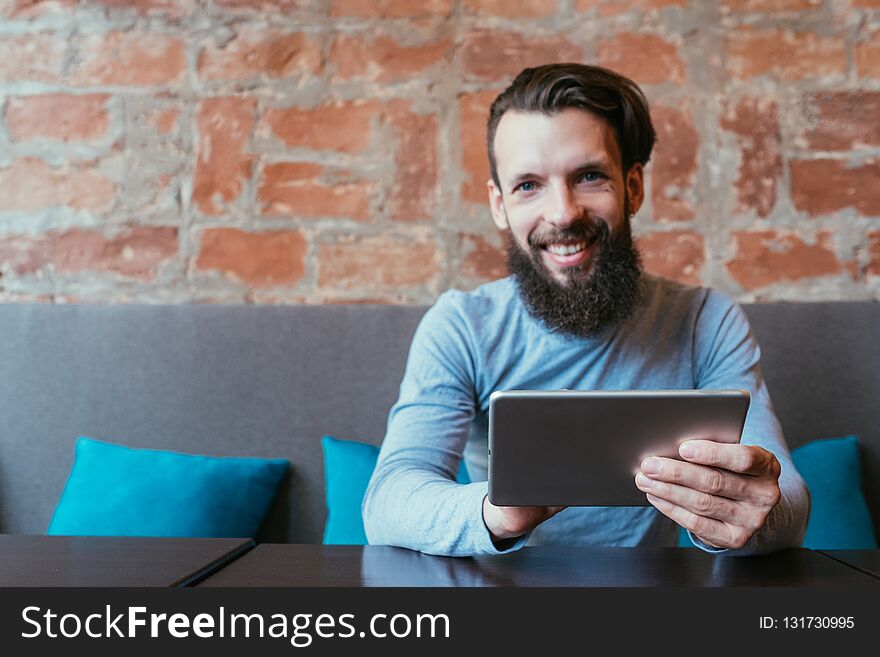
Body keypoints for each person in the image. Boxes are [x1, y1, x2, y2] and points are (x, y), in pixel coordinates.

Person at [362, 63, 809, 556]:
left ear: (633, 187)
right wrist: (497, 513)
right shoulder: (461, 327)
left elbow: (786, 498)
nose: (563, 212)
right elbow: (389, 501)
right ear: (499, 204)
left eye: (590, 176)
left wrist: (749, 518)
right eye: (528, 185)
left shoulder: (707, 320)